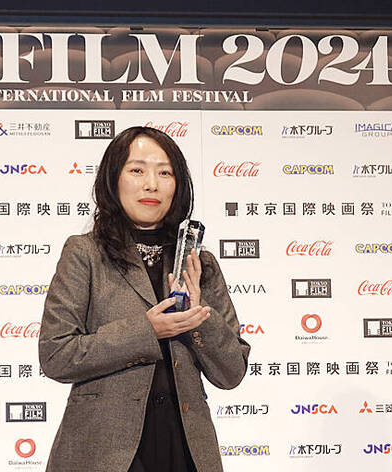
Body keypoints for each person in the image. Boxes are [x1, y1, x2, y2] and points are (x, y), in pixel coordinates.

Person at [39, 126, 251, 472]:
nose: (151, 183)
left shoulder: (199, 262)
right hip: (103, 450)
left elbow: (232, 373)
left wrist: (201, 318)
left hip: (185, 447)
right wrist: (146, 331)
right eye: (137, 170)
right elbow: (56, 354)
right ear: (113, 179)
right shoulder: (85, 253)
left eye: (164, 172)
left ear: (177, 185)